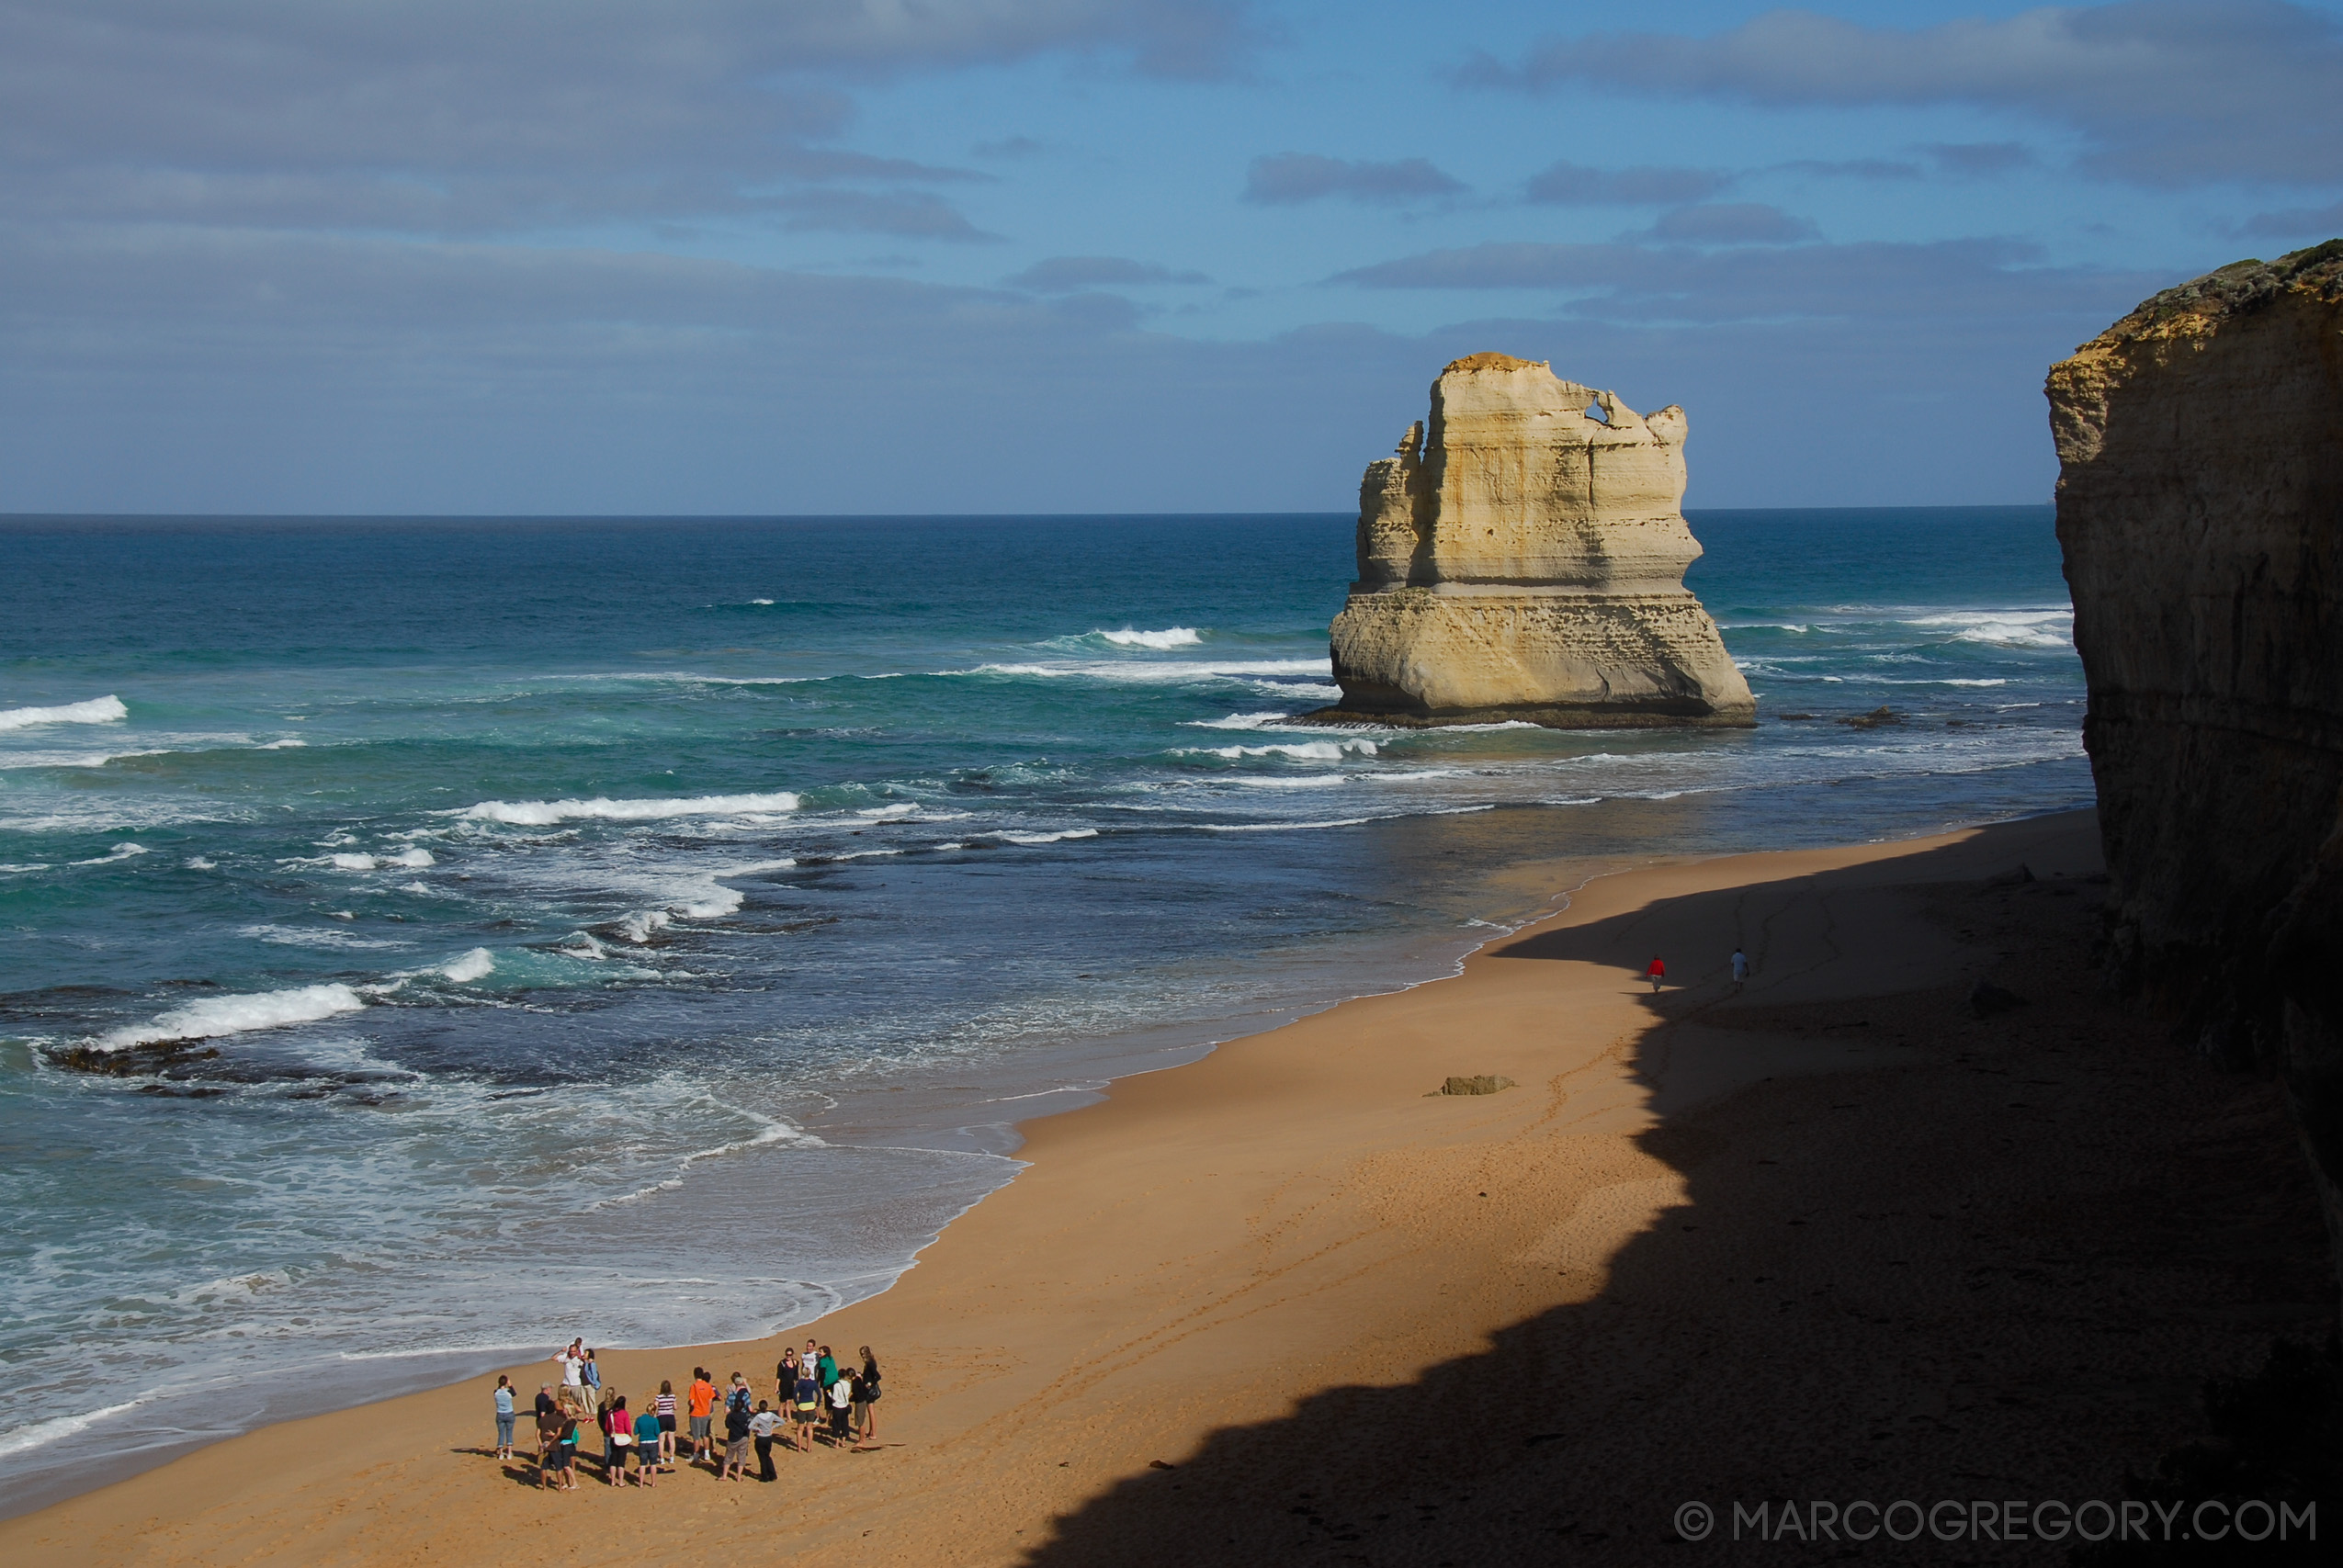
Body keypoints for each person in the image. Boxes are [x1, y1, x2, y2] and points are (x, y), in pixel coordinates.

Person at [721, 1374, 754, 1480]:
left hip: (733, 1423)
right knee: (742, 1454)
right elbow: (751, 1409)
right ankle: (739, 1476)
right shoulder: (745, 1395)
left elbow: (726, 1410)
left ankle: (724, 1475)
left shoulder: (730, 1396)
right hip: (743, 1422)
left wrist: (732, 1411)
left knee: (729, 1454)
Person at [686, 1367, 718, 1467]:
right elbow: (710, 1401)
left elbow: (692, 1402)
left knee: (696, 1436)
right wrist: (708, 1411)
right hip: (705, 1413)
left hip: (696, 1413)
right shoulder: (708, 1386)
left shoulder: (694, 1386)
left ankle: (696, 1454)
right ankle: (707, 1453)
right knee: (705, 1434)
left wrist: (690, 1404)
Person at [601, 1394, 635, 1484]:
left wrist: (611, 1433)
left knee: (613, 1459)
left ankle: (612, 1481)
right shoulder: (624, 1413)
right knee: (621, 1461)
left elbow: (607, 1427)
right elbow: (627, 1427)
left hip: (613, 1437)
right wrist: (629, 1435)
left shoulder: (611, 1413)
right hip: (622, 1437)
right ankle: (620, 1481)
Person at [632, 1401, 663, 1487]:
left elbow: (635, 1432)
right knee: (653, 1464)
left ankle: (641, 1483)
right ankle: (653, 1483)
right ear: (653, 1412)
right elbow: (657, 1432)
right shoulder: (654, 1420)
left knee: (642, 1464)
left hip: (642, 1443)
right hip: (653, 1443)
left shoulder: (639, 1419)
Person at [791, 1365, 821, 1452]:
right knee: (809, 1428)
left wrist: (797, 1403)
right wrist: (817, 1404)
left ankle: (799, 1447)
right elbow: (819, 1395)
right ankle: (808, 1447)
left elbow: (794, 1394)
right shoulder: (813, 1383)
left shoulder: (800, 1382)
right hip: (811, 1406)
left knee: (800, 1428)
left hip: (802, 1406)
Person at [855, 1347, 881, 1443]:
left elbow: (877, 1376)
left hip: (870, 1390)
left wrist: (870, 1383)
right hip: (869, 1388)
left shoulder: (870, 1363)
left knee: (871, 1411)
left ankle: (873, 1433)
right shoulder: (870, 1362)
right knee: (871, 1411)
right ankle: (871, 1432)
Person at [750, 1400, 781, 1481]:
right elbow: (781, 1421)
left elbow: (750, 1426)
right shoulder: (771, 1415)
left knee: (762, 1458)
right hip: (768, 1438)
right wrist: (773, 1428)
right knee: (767, 1456)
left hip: (760, 1438)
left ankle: (765, 1476)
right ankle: (772, 1474)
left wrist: (757, 1429)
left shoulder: (758, 1416)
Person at [533, 1385, 562, 1470]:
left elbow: (537, 1435)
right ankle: (546, 1459)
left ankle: (542, 1457)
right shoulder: (544, 1399)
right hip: (546, 1422)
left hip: (541, 1421)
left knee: (543, 1440)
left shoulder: (538, 1396)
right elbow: (543, 1412)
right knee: (549, 1443)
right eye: (550, 1389)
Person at [653, 1379, 678, 1470]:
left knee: (661, 1440)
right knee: (671, 1439)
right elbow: (675, 1407)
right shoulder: (672, 1396)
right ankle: (671, 1457)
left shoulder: (659, 1397)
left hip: (661, 1418)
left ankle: (662, 1458)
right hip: (670, 1417)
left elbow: (654, 1406)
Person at [826, 1368, 855, 1446]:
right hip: (845, 1406)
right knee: (845, 1423)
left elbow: (834, 1398)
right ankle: (843, 1442)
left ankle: (837, 1443)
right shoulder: (848, 1384)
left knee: (836, 1424)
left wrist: (829, 1393)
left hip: (837, 1407)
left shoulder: (836, 1385)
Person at [579, 1348, 603, 1418]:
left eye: (586, 1353)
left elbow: (594, 1375)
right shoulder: (585, 1363)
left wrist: (594, 1384)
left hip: (590, 1384)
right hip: (583, 1384)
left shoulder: (592, 1364)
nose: (584, 1354)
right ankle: (587, 1415)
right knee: (584, 1400)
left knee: (591, 1400)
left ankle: (592, 1416)